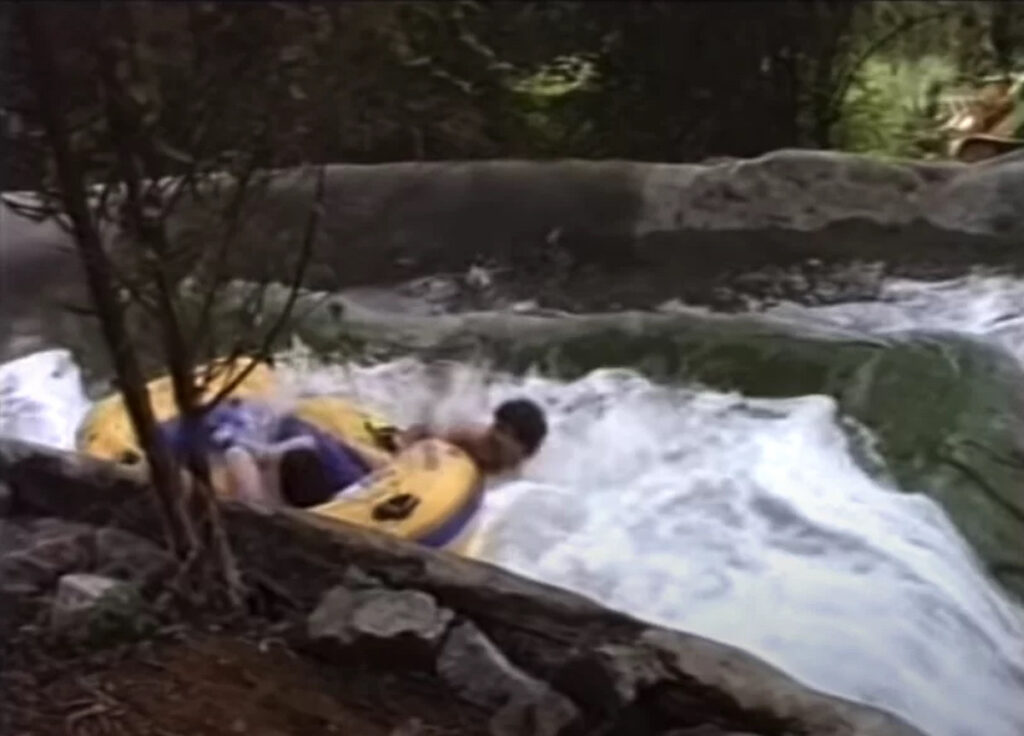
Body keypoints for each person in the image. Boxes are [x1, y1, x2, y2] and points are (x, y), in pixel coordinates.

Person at [161, 396, 549, 512]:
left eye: (501, 441)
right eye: (494, 431)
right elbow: (421, 444)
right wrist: (401, 447)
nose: (490, 441)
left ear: (522, 450)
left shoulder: (517, 475)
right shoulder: (468, 437)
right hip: (381, 463)